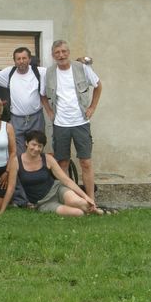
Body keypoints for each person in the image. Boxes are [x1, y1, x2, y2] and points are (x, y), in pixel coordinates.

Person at [43, 40, 102, 200]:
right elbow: (42, 94)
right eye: (57, 52)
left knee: (86, 162)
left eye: (64, 51)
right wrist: (49, 111)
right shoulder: (48, 73)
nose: (61, 55)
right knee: (63, 163)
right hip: (60, 125)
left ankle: (91, 200)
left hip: (81, 123)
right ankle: (69, 199)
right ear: (53, 55)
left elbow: (98, 86)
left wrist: (92, 108)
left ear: (68, 53)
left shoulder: (82, 68)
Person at [18, 130, 103, 217]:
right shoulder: (17, 161)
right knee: (78, 213)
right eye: (33, 144)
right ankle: (96, 211)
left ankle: (98, 210)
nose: (36, 149)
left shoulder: (47, 159)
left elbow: (66, 180)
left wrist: (85, 196)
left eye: (40, 146)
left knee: (77, 202)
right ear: (26, 143)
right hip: (43, 202)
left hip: (57, 189)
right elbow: (13, 185)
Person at [0, 47, 48, 155]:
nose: (21, 61)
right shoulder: (9, 72)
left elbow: (58, 71)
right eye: (18, 59)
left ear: (29, 59)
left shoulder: (40, 72)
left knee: (36, 149)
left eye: (24, 58)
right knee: (17, 152)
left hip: (36, 118)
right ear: (14, 61)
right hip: (16, 120)